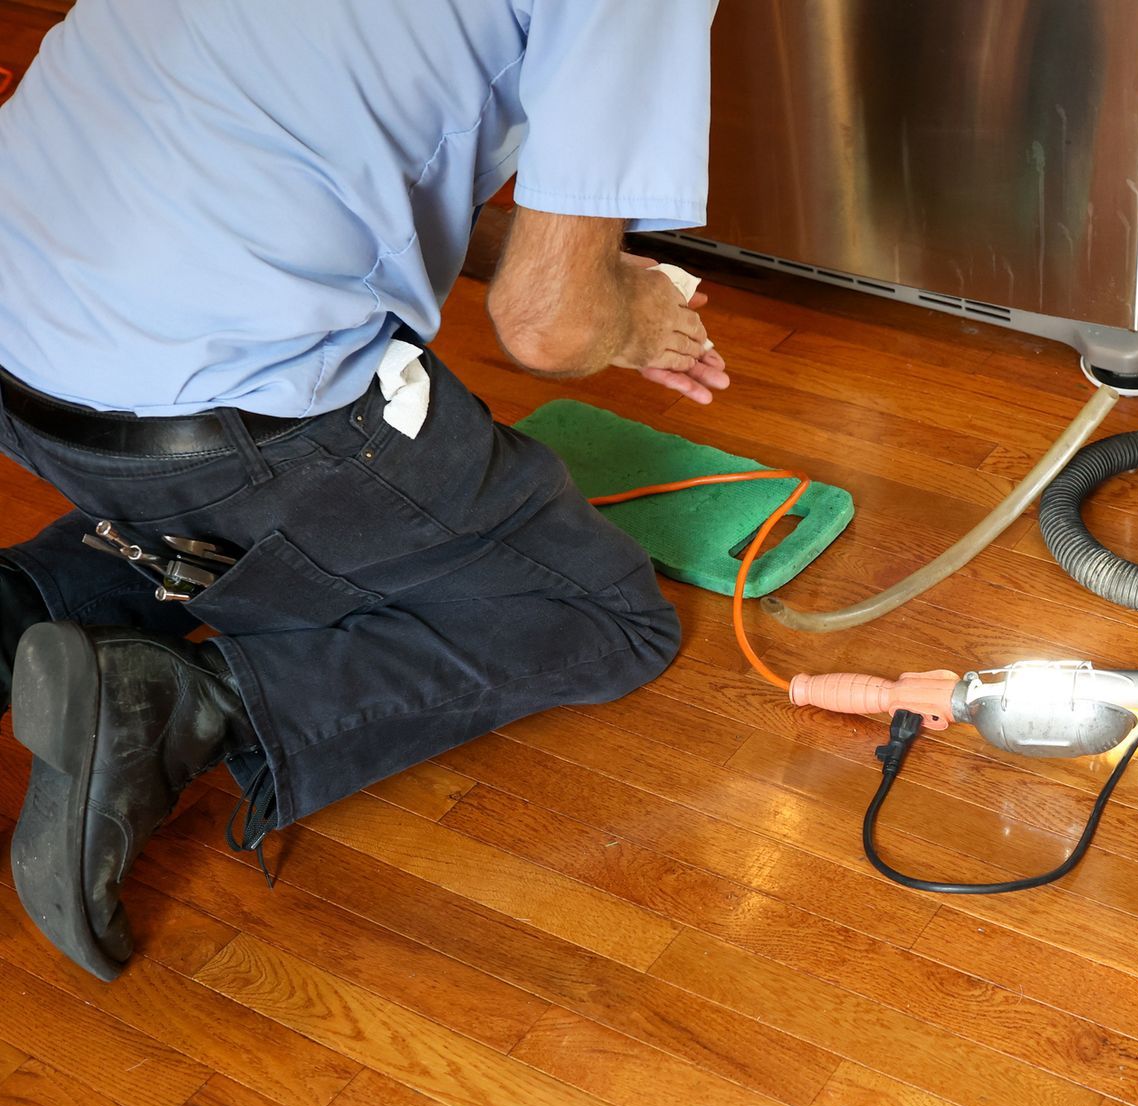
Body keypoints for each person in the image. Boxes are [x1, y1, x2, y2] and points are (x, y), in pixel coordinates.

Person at [0, 0, 728, 981]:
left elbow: (347, 149)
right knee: (600, 612)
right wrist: (624, 316)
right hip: (224, 423)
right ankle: (171, 704)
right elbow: (545, 326)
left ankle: (18, 610)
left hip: (30, 353)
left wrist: (578, 254)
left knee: (253, 505)